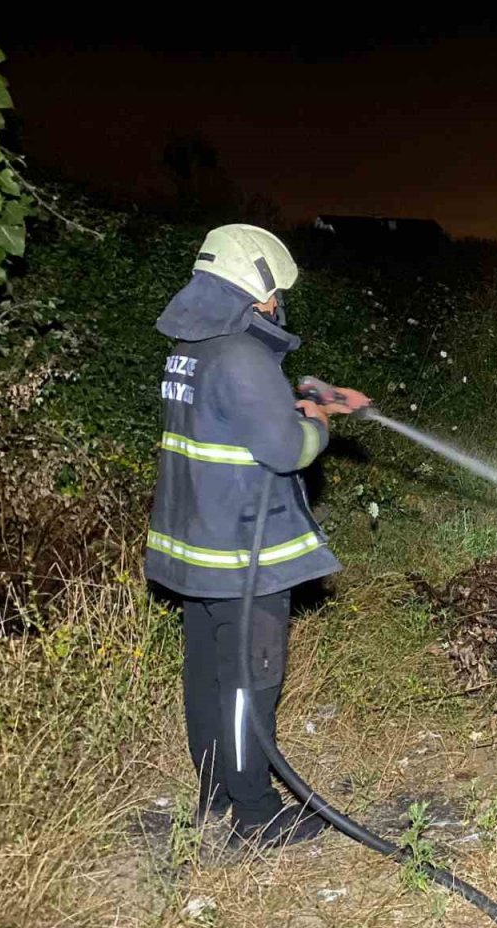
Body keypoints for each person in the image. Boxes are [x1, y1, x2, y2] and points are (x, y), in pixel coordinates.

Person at [145, 224, 367, 848]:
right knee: (252, 681)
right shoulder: (243, 355)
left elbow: (230, 421)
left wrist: (295, 399)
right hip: (244, 556)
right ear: (257, 288)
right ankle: (256, 816)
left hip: (198, 549)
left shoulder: (193, 348)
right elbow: (284, 450)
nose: (278, 305)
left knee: (209, 676)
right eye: (275, 294)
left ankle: (217, 792)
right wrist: (318, 421)